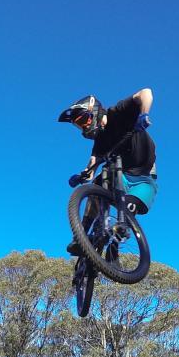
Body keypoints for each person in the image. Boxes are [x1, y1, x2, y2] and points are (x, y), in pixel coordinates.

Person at [57, 89, 158, 254]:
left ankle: (115, 245)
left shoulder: (117, 113)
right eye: (79, 125)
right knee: (97, 182)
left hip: (142, 174)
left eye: (84, 119)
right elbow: (92, 165)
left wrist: (143, 115)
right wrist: (81, 176)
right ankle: (81, 236)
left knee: (129, 208)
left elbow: (145, 93)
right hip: (119, 173)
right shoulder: (99, 141)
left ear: (94, 111)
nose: (84, 126)